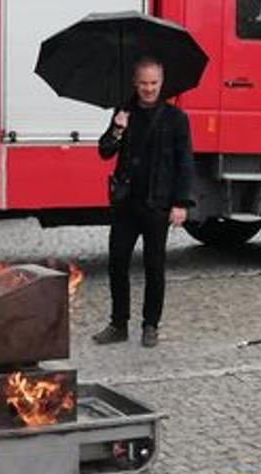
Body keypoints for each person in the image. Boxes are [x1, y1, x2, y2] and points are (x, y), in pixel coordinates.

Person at [94, 57, 194, 349]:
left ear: (161, 83)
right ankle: (118, 323)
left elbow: (184, 162)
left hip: (158, 203)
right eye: (143, 84)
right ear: (135, 84)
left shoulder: (176, 118)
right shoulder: (123, 113)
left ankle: (151, 325)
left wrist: (181, 203)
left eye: (153, 83)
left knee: (155, 266)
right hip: (126, 204)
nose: (148, 89)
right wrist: (117, 129)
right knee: (117, 263)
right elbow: (104, 151)